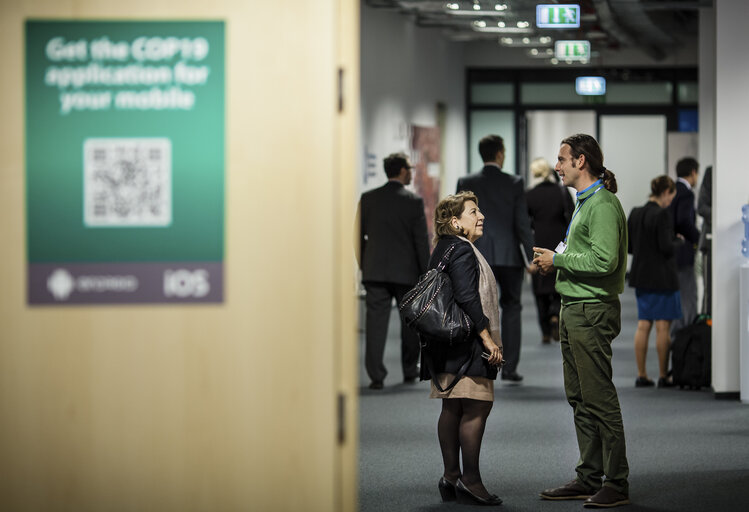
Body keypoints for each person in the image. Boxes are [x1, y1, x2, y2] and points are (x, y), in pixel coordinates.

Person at [533, 134, 630, 508]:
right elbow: (584, 254)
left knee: (599, 397)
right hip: (575, 308)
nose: (557, 166)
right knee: (579, 397)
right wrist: (554, 262)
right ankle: (589, 476)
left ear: (581, 161)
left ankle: (616, 482)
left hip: (591, 311)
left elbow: (605, 262)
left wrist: (557, 261)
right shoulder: (584, 202)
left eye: (562, 159)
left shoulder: (602, 205)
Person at [422, 191, 503, 506]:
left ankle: (451, 477)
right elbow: (469, 297)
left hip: (444, 340)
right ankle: (469, 479)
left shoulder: (443, 246)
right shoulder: (463, 250)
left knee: (452, 406)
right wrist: (488, 339)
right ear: (455, 222)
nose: (480, 216)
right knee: (476, 406)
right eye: (473, 211)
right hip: (467, 341)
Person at [456, 134, 535, 383]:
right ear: (500, 153)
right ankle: (509, 368)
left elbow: (458, 221)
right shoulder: (514, 182)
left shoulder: (466, 181)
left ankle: (477, 362)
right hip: (509, 256)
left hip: (476, 254)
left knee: (475, 308)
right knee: (512, 307)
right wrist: (531, 255)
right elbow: (522, 223)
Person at [356, 152, 430, 390]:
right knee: (410, 324)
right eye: (409, 168)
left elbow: (357, 237)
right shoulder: (413, 202)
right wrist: (426, 272)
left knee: (375, 325)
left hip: (374, 272)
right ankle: (409, 369)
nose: (411, 172)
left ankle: (376, 375)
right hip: (406, 273)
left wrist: (364, 264)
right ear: (401, 171)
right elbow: (420, 242)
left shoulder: (368, 199)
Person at [628, 176, 682, 388]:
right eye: (671, 196)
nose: (670, 201)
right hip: (662, 277)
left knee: (643, 325)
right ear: (666, 192)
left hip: (641, 276)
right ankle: (662, 375)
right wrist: (678, 241)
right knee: (662, 328)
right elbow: (666, 247)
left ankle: (642, 374)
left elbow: (630, 247)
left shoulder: (635, 212)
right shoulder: (662, 215)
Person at [526, 157, 574, 344]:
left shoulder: (529, 195)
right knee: (558, 282)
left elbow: (525, 222)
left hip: (538, 243)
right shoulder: (561, 192)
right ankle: (556, 314)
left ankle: (545, 331)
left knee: (539, 288)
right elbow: (571, 216)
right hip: (558, 243)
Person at [668, 157, 700, 336]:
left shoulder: (671, 190)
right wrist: (698, 238)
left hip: (671, 252)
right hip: (683, 253)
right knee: (687, 299)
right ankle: (685, 339)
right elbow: (683, 221)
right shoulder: (687, 193)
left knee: (677, 299)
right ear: (693, 172)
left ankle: (678, 341)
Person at [697, 165, 712, 316]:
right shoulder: (712, 172)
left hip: (734, 245)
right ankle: (706, 329)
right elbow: (701, 207)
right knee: (710, 291)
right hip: (711, 242)